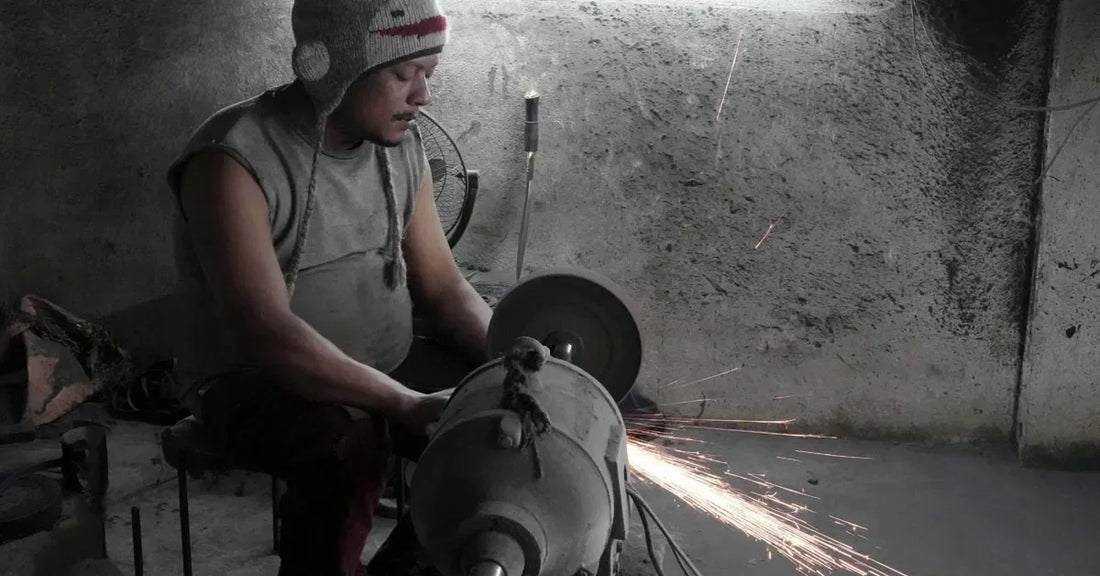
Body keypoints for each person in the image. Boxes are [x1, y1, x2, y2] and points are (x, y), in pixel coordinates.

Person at [165, 0, 491, 574]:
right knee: (352, 449)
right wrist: (403, 403)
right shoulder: (232, 160)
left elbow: (444, 289)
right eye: (404, 74)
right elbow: (269, 335)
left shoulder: (403, 147)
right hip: (257, 380)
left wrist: (514, 358)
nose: (423, 96)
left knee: (498, 424)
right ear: (330, 66)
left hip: (386, 360)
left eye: (428, 74)